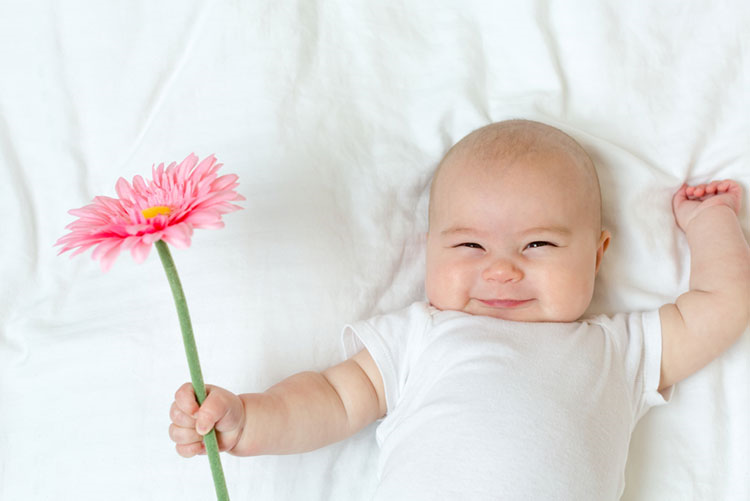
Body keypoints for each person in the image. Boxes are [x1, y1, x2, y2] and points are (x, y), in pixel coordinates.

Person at [168, 119, 750, 499]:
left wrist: (711, 224)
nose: (501, 270)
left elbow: (721, 306)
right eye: (470, 245)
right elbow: (331, 399)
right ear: (428, 251)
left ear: (598, 256)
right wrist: (250, 418)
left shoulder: (618, 350)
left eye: (538, 245)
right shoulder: (419, 337)